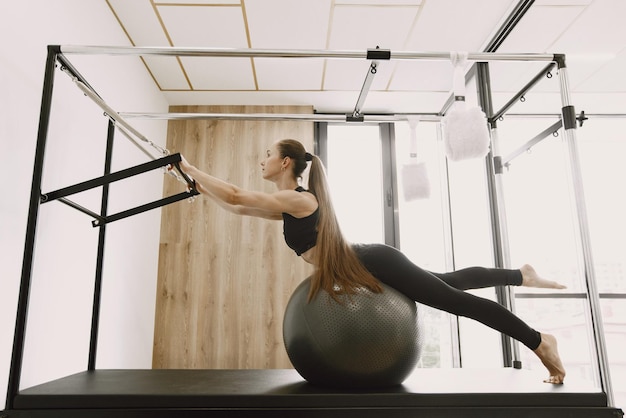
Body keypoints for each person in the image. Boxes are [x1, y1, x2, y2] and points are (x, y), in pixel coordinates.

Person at [176, 138, 567, 385]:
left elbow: (235, 196)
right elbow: (237, 208)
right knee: (448, 281)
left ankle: (538, 342)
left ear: (284, 164)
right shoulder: (289, 204)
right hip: (368, 260)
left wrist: (192, 169)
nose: (261, 161)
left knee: (454, 302)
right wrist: (198, 189)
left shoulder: (297, 199)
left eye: (267, 155)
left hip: (373, 260)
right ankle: (520, 274)